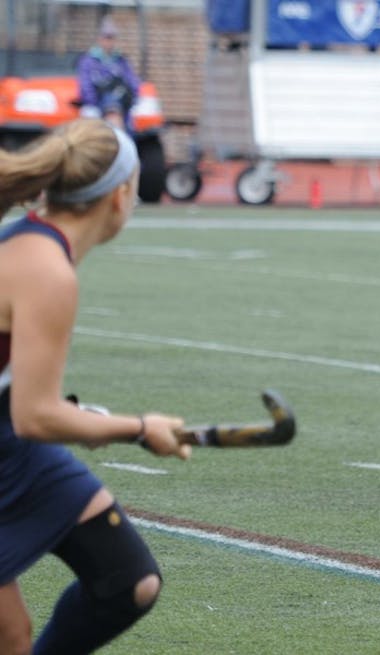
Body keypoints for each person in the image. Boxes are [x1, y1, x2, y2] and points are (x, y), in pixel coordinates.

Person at [0, 118, 191, 654]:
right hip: (14, 440)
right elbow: (35, 416)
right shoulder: (46, 271)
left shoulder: (42, 248)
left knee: (128, 582)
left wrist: (92, 420)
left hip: (14, 448)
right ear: (121, 194)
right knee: (9, 635)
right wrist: (137, 429)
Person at [76, 17, 141, 131]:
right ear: (99, 39)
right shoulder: (88, 61)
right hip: (96, 104)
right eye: (106, 37)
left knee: (130, 123)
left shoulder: (121, 61)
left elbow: (132, 82)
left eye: (112, 38)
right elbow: (85, 86)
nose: (109, 42)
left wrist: (131, 98)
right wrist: (94, 101)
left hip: (121, 104)